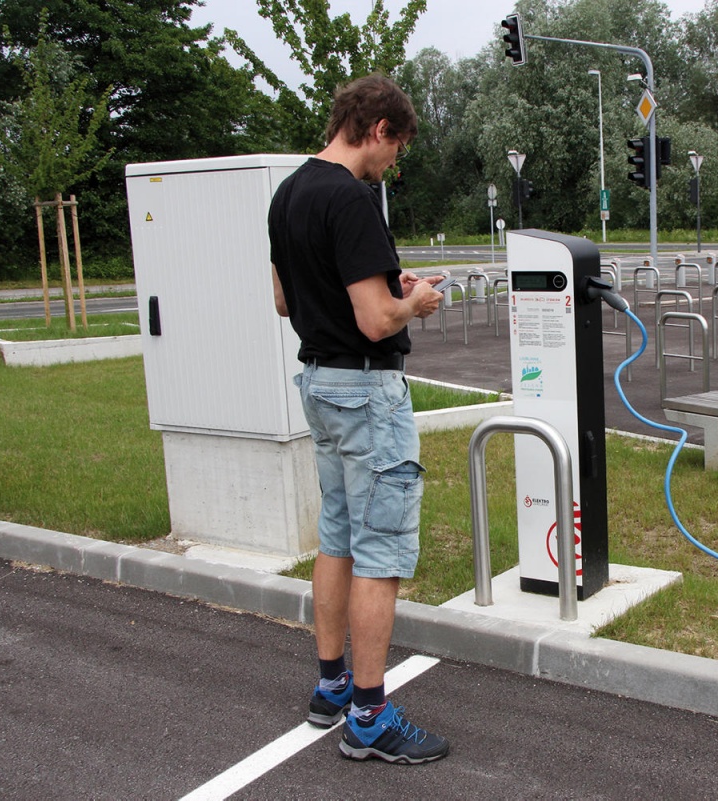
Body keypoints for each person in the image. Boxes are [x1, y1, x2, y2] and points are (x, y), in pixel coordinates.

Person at [268, 73, 449, 765]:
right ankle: (370, 716)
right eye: (395, 148)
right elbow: (376, 320)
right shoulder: (350, 197)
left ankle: (331, 685)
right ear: (377, 129)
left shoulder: (290, 193)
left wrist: (386, 291)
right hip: (367, 391)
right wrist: (417, 302)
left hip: (318, 382)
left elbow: (287, 300)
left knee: (338, 535)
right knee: (381, 551)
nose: (392, 163)